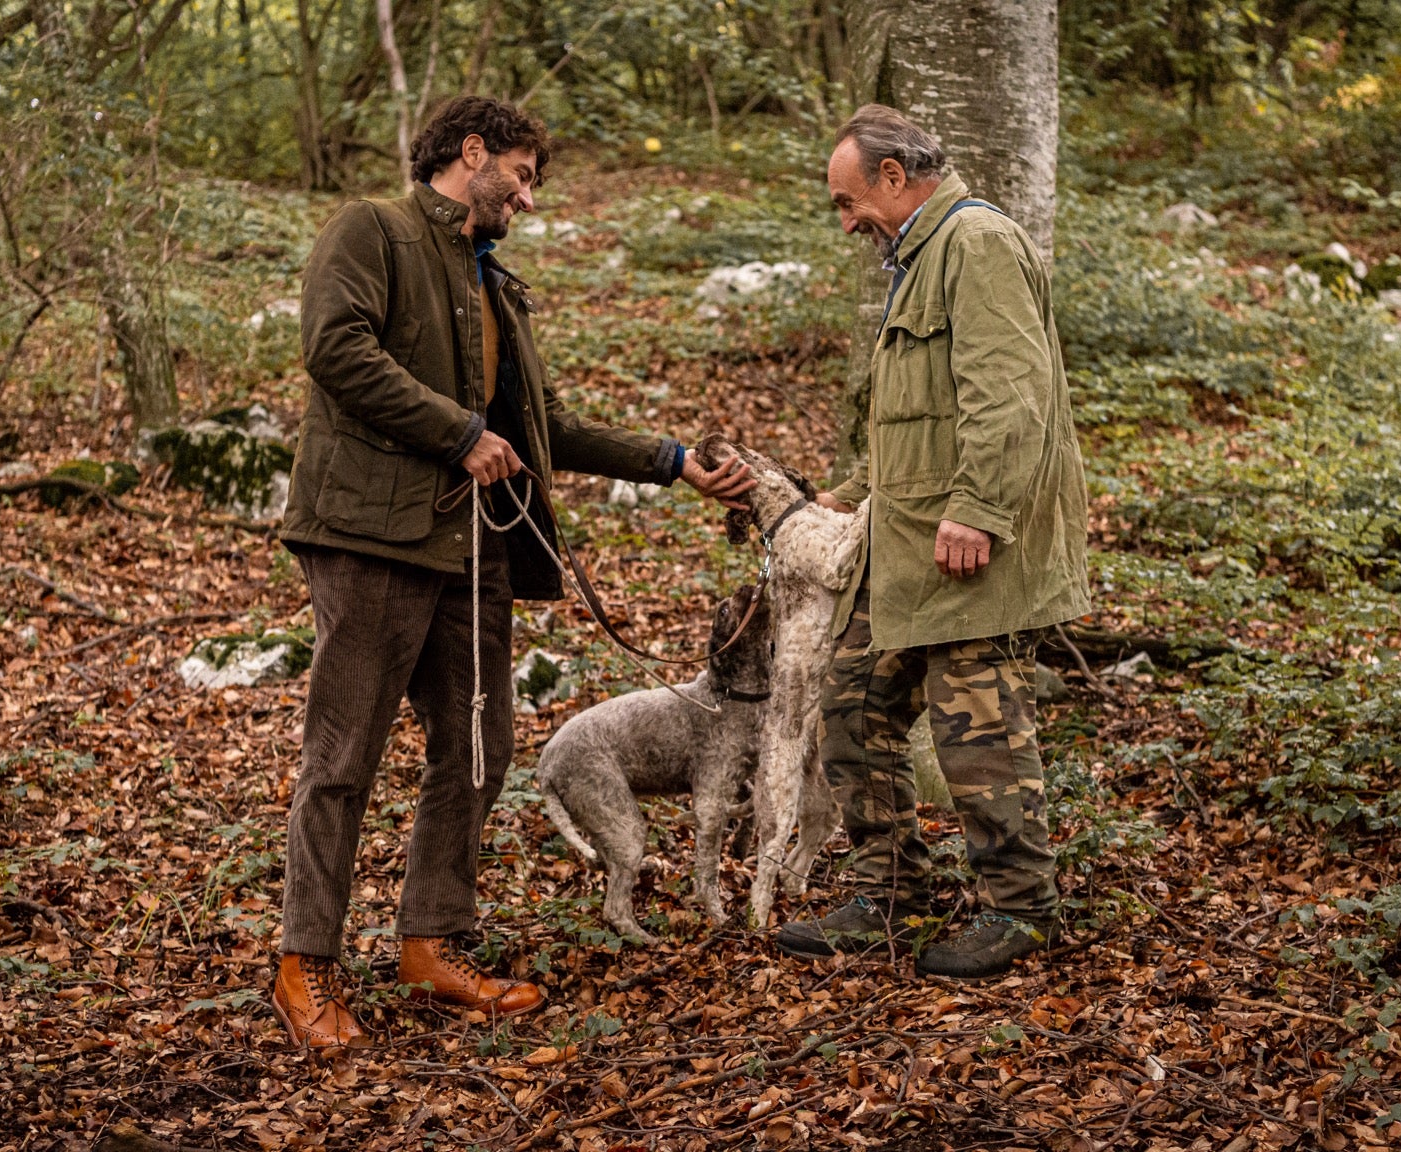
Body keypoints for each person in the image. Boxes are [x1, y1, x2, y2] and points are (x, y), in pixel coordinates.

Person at [270, 96, 754, 1052]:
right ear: (472, 151)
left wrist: (672, 462)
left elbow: (544, 431)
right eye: (523, 176)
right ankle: (304, 968)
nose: (528, 199)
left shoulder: (497, 289)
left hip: (474, 551)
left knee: (483, 747)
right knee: (343, 755)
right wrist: (458, 435)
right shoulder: (373, 229)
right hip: (370, 540)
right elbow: (335, 349)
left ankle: (430, 946)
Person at [774, 105, 1090, 980]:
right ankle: (889, 894)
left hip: (968, 544)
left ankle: (1022, 912)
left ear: (891, 175)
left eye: (849, 203)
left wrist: (981, 509)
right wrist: (834, 500)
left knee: (977, 729)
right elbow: (917, 422)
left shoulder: (974, 243)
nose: (847, 223)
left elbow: (1009, 392)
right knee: (851, 703)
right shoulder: (916, 258)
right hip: (907, 542)